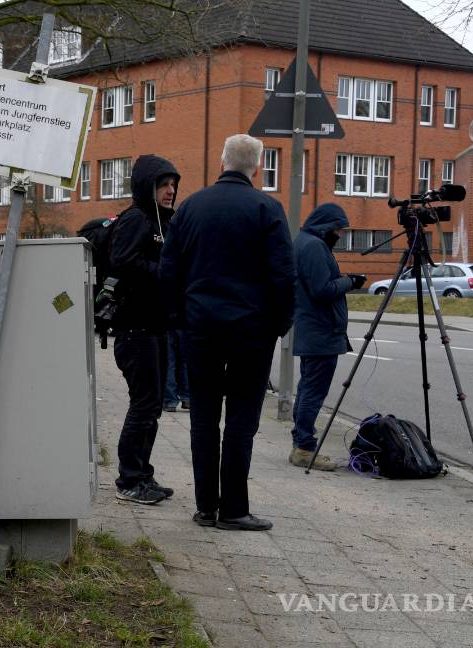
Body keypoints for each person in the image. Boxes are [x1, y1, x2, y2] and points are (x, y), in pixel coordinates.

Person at [159, 134, 295, 530]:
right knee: (241, 419)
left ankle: (205, 506)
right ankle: (233, 508)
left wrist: (178, 318)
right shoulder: (267, 209)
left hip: (200, 327)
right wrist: (280, 323)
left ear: (221, 163)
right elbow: (284, 275)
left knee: (203, 417)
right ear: (257, 168)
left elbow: (169, 270)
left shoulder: (190, 208)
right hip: (252, 331)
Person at [110, 155, 181, 505]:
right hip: (135, 329)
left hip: (155, 327)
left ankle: (142, 474)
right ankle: (129, 480)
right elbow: (122, 261)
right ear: (147, 186)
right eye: (163, 184)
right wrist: (163, 273)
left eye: (173, 185)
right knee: (144, 404)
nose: (170, 191)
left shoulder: (162, 221)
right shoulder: (137, 218)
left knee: (152, 406)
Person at [290, 203, 367, 470]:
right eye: (338, 229)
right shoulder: (313, 246)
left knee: (307, 388)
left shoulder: (305, 242)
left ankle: (300, 444)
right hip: (320, 331)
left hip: (314, 329)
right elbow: (322, 290)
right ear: (326, 227)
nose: (340, 235)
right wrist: (351, 282)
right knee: (313, 392)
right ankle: (304, 448)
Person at [163, 331, 190, 413]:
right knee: (185, 362)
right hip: (185, 327)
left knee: (169, 363)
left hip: (168, 327)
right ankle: (187, 397)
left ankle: (170, 401)